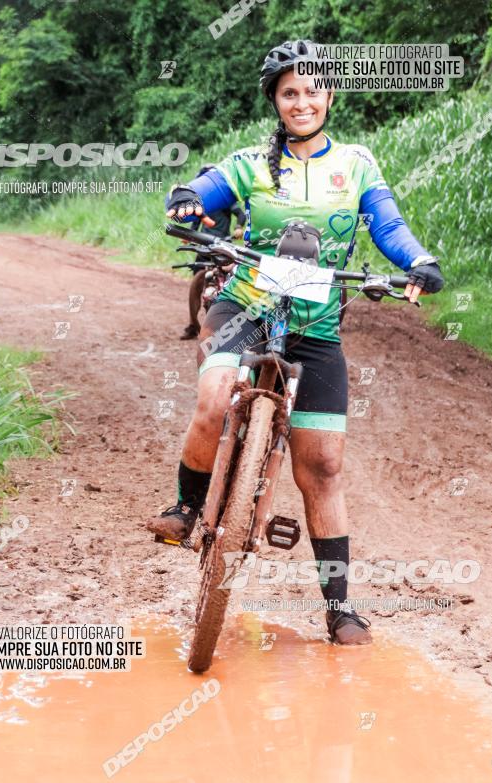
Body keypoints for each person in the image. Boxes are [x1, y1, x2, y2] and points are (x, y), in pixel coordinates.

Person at [148, 39, 444, 645]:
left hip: (316, 325)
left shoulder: (357, 163)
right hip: (246, 306)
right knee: (215, 394)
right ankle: (185, 506)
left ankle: (340, 608)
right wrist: (186, 199)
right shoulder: (249, 162)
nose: (302, 101)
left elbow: (386, 224)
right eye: (290, 92)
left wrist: (417, 260)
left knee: (324, 465)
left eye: (313, 90)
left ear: (329, 96)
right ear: (276, 102)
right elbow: (203, 191)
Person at [180, 164, 245, 340]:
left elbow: (241, 214)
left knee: (233, 280)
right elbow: (195, 222)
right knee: (196, 282)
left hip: (222, 244)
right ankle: (193, 323)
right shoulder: (200, 203)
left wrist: (239, 227)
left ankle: (234, 324)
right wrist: (188, 236)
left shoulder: (225, 199)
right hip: (203, 244)